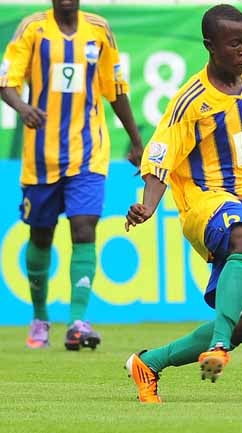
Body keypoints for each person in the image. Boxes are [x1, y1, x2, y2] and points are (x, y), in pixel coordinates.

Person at [123, 4, 242, 404]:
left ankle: (149, 363)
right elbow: (161, 154)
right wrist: (148, 205)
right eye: (234, 43)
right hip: (205, 205)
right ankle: (219, 345)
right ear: (210, 45)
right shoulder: (191, 101)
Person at [0, 0, 143, 351]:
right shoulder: (33, 28)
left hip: (88, 153)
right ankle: (40, 318)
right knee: (41, 236)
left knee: (84, 228)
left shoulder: (99, 29)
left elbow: (116, 89)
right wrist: (23, 108)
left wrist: (136, 140)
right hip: (42, 158)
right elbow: (6, 81)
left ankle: (78, 322)